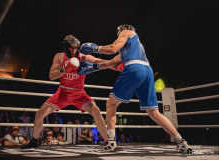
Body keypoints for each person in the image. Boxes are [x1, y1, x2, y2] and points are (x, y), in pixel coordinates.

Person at [79, 24, 192, 153]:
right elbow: (109, 63)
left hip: (134, 68)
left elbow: (112, 48)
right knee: (153, 112)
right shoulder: (133, 48)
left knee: (111, 104)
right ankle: (182, 142)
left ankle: (111, 143)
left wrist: (94, 48)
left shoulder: (127, 33)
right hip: (147, 71)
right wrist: (91, 67)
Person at [22, 35, 107, 149]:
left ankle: (108, 141)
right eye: (71, 48)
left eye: (76, 48)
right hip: (63, 93)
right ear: (66, 48)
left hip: (79, 93)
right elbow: (51, 76)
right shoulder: (59, 57)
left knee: (96, 110)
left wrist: (115, 64)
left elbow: (99, 61)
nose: (74, 50)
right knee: (39, 114)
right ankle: (34, 140)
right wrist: (64, 68)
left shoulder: (82, 57)